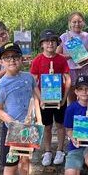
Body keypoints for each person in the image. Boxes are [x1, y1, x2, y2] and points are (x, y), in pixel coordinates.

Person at [0, 43, 40, 175]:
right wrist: (13, 123)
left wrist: (39, 120)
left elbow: (35, 97)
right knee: (10, 164)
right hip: (11, 129)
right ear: (1, 62)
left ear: (22, 59)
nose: (12, 60)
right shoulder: (1, 85)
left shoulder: (28, 77)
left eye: (15, 56)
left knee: (25, 159)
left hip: (29, 127)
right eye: (7, 58)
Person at [30, 29, 71, 166]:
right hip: (44, 101)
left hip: (60, 100)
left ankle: (60, 150)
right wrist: (40, 98)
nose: (50, 44)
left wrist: (65, 98)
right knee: (47, 126)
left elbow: (68, 79)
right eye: (46, 41)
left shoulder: (61, 60)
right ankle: (47, 151)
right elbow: (33, 82)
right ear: (42, 44)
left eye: (53, 41)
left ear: (57, 43)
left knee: (60, 125)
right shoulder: (37, 60)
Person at [57, 11, 88, 103]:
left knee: (85, 94)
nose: (77, 24)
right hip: (71, 70)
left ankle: (84, 115)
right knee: (72, 95)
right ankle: (73, 114)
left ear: (83, 22)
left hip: (84, 68)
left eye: (79, 21)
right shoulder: (64, 37)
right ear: (70, 23)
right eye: (74, 22)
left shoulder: (87, 36)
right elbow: (58, 55)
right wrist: (71, 56)